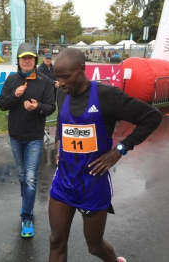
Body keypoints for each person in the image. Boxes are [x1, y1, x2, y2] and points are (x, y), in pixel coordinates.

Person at [48, 48, 162, 262]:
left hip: (92, 183)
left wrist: (119, 150)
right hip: (64, 181)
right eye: (57, 77)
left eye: (65, 77)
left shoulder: (106, 96)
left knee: (94, 246)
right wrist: (58, 143)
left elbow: (152, 117)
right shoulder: (62, 94)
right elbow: (62, 121)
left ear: (82, 70)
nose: (60, 83)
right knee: (56, 240)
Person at [0, 42, 56, 238]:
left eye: (30, 57)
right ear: (19, 60)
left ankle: (27, 216)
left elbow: (50, 107)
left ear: (35, 60)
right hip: (15, 136)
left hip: (34, 138)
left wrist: (37, 106)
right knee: (22, 176)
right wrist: (14, 96)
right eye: (24, 58)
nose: (27, 61)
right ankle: (28, 201)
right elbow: (1, 105)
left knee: (30, 178)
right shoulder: (12, 80)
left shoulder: (45, 82)